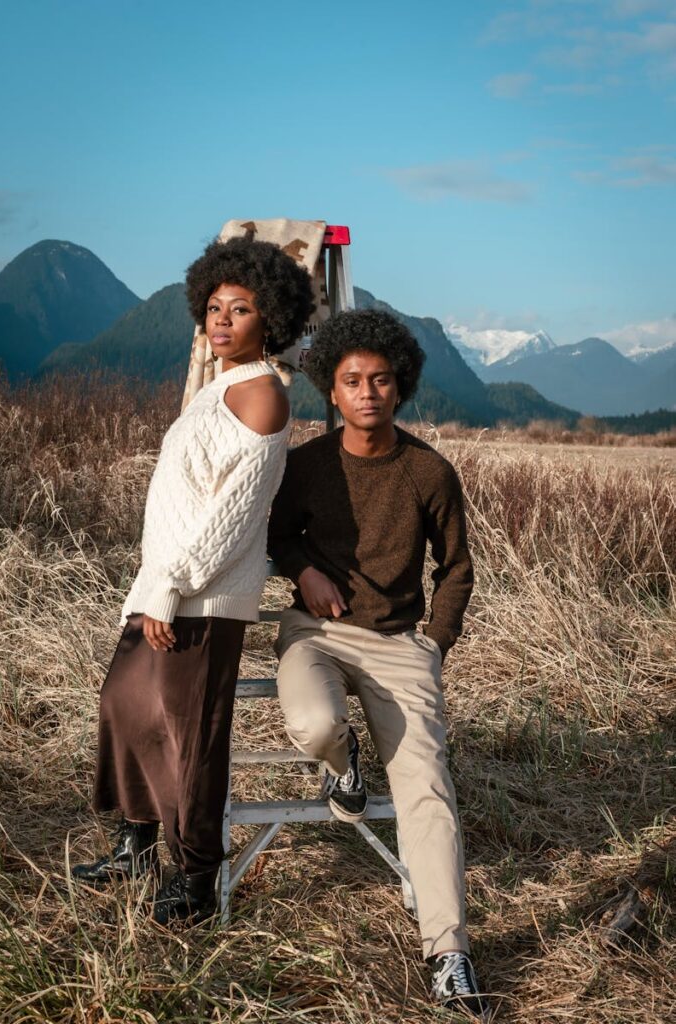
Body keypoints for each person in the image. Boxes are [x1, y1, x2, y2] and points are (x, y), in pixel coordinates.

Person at [72, 236, 314, 926]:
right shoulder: (216, 386)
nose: (222, 320)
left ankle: (196, 878)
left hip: (202, 595)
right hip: (163, 588)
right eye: (213, 307)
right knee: (126, 705)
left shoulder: (263, 396)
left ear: (271, 320)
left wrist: (173, 586)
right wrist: (155, 585)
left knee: (190, 737)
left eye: (241, 309)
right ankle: (136, 847)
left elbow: (233, 517)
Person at [267, 309, 491, 1020]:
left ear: (401, 386)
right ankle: (344, 768)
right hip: (316, 632)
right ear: (331, 391)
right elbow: (277, 536)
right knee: (315, 723)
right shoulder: (307, 465)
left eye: (381, 380)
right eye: (352, 380)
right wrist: (304, 572)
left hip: (399, 647)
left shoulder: (429, 471)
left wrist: (435, 643)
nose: (368, 392)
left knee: (427, 786)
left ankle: (449, 953)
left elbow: (456, 568)